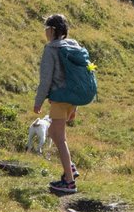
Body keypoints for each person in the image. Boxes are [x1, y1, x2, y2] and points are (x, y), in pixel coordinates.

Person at [33, 13, 92, 196]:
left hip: (59, 98)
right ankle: (70, 167)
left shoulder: (51, 49)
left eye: (46, 28)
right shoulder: (73, 46)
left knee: (59, 138)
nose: (45, 32)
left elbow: (45, 79)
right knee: (53, 132)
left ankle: (69, 181)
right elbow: (76, 77)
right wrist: (75, 106)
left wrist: (38, 101)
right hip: (72, 98)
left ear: (52, 30)